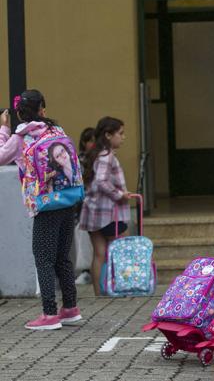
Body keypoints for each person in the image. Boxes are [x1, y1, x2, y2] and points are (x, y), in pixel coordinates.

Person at [0, 90, 81, 329]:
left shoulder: (21, 136)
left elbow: (1, 157)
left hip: (46, 204)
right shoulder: (57, 131)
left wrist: (3, 128)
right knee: (62, 257)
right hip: (68, 199)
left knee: (43, 257)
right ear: (43, 110)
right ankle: (70, 308)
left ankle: (49, 314)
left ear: (18, 113)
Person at [79, 116, 131, 296]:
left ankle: (99, 293)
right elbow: (101, 181)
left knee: (99, 253)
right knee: (123, 248)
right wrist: (120, 195)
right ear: (108, 135)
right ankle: (121, 286)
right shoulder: (107, 156)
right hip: (109, 213)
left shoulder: (96, 154)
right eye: (121, 134)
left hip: (93, 212)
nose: (123, 138)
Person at [74, 127, 96, 285]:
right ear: (84, 142)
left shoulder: (101, 158)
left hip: (98, 205)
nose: (93, 144)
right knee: (82, 237)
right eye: (90, 141)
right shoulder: (79, 160)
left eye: (95, 141)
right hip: (83, 204)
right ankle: (85, 270)